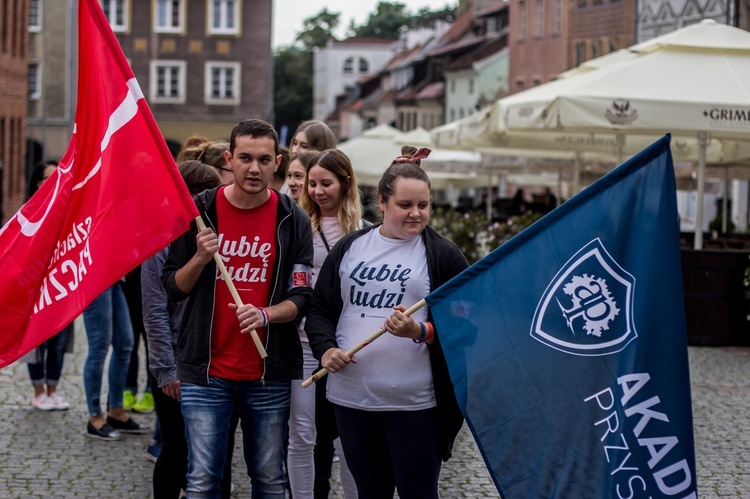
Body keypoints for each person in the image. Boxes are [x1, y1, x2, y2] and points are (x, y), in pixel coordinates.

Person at [305, 146, 468, 499]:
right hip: (352, 402)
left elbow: (468, 327)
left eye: (423, 206)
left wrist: (421, 331)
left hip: (415, 406)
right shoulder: (350, 247)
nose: (416, 214)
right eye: (405, 205)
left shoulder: (443, 254)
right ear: (381, 202)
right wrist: (326, 350)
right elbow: (318, 309)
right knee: (370, 493)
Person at [161, 119, 314, 497]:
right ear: (229, 159)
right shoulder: (200, 211)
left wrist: (266, 315)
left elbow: (302, 296)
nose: (254, 168)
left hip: (268, 371)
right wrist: (199, 257)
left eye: (264, 160)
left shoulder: (293, 219)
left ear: (277, 162)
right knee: (201, 480)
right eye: (245, 158)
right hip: (206, 371)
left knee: (269, 479)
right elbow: (172, 288)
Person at [144, 160, 239, 498]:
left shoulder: (216, 236)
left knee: (219, 453)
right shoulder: (162, 241)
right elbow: (155, 312)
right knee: (176, 449)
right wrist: (167, 371)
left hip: (216, 361)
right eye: (208, 195)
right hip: (177, 364)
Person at [288, 150, 365, 499]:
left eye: (326, 184)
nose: (318, 191)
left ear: (345, 183)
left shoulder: (364, 232)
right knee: (302, 434)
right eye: (312, 183)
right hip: (303, 343)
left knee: (349, 439)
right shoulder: (300, 224)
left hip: (348, 347)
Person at [23, 161, 73, 411]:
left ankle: (53, 392)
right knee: (35, 342)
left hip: (60, 287)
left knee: (59, 342)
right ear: (37, 184)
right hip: (35, 290)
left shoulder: (67, 211)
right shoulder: (29, 213)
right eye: (49, 178)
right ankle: (38, 392)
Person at [83, 281, 151, 440]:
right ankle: (94, 417)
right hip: (97, 278)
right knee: (98, 347)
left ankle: (116, 411)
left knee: (125, 344)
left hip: (115, 280)